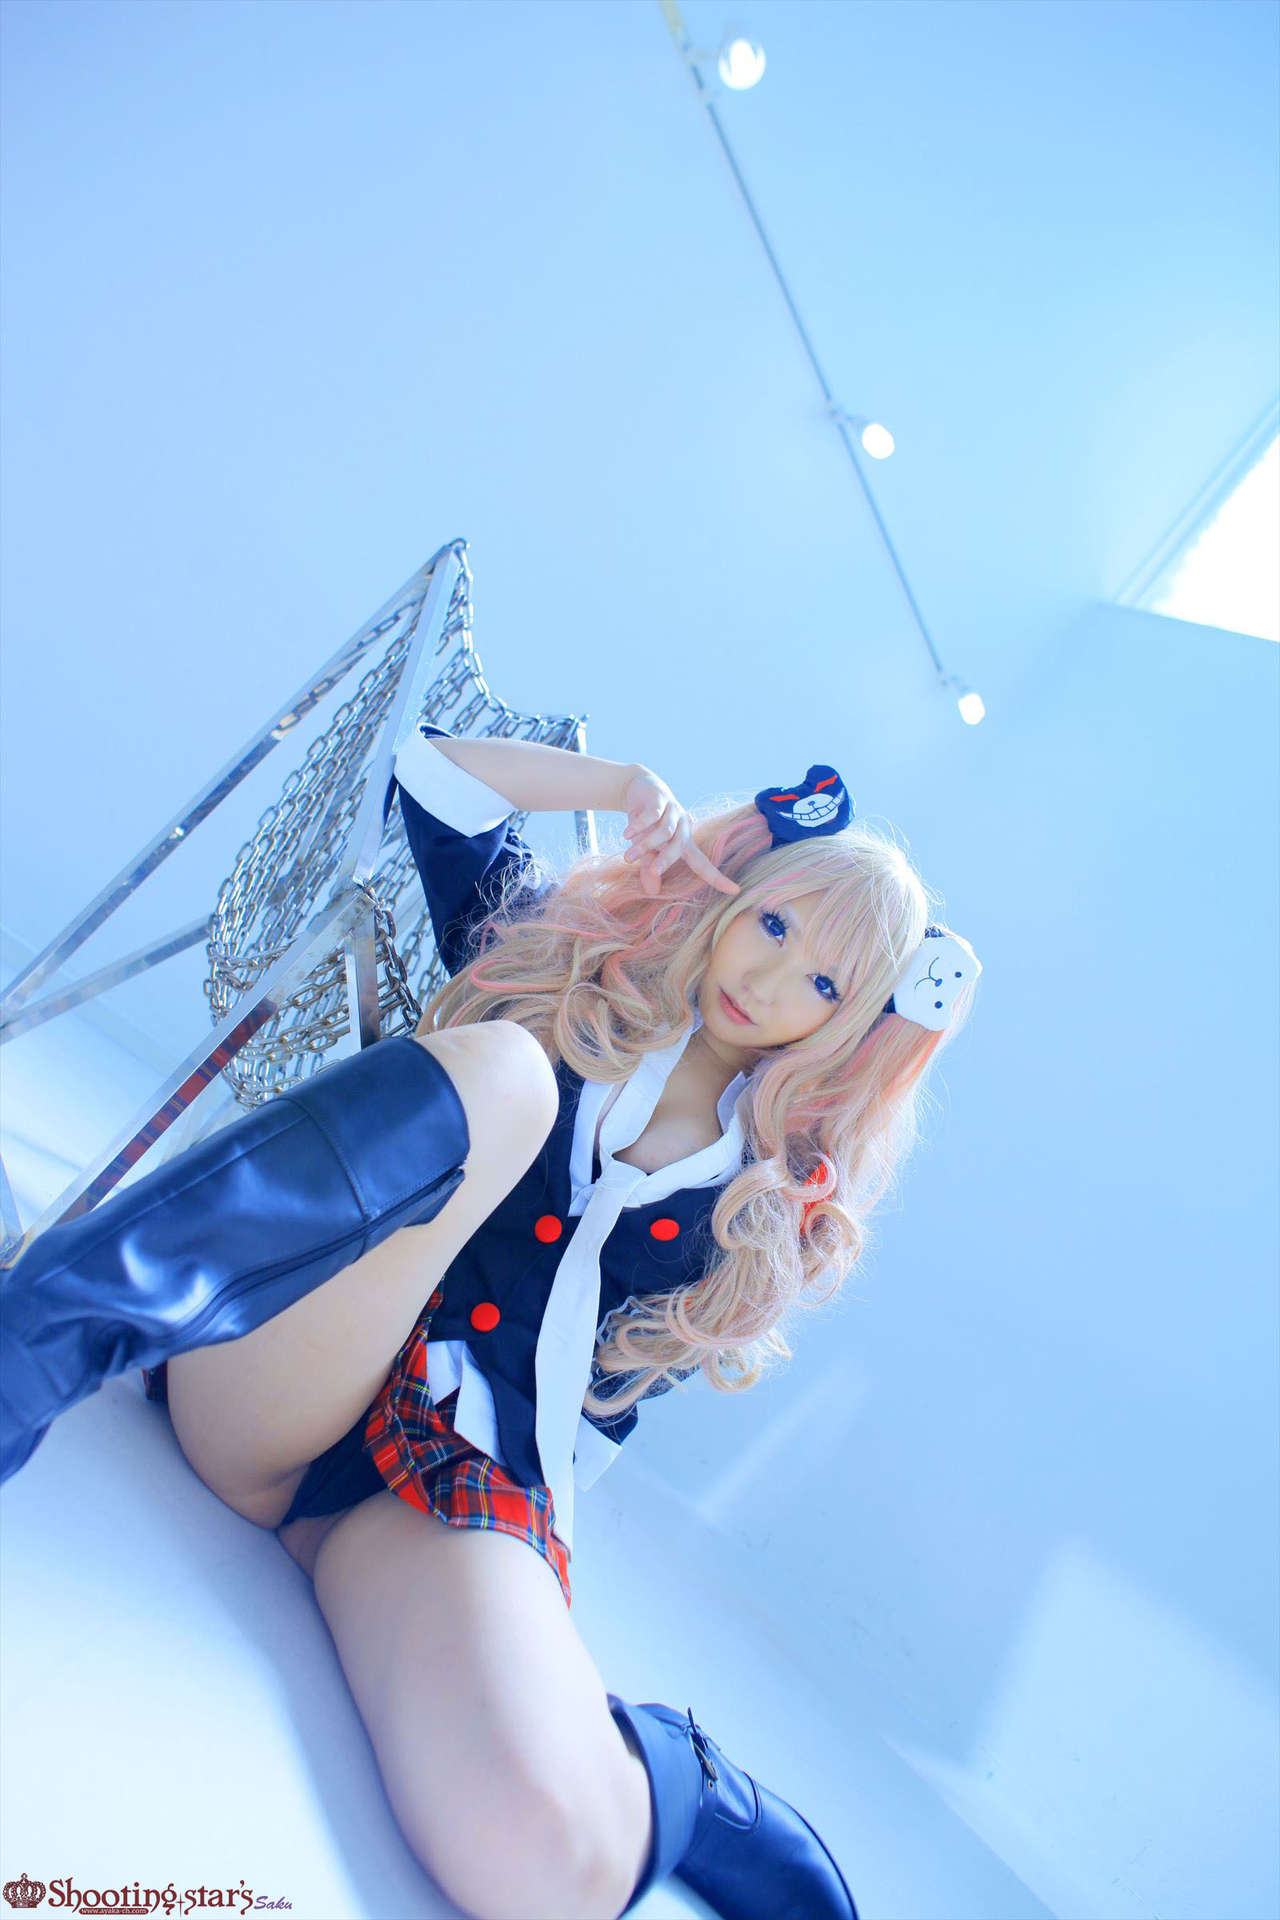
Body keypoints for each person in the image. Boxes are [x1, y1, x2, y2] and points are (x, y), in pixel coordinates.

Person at [0, 718, 982, 1920]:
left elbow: (609, 1407)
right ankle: (34, 1338)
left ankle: (678, 1778)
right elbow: (434, 776)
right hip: (281, 1369)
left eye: (824, 983)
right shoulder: (566, 970)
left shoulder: (758, 1206)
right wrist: (619, 785)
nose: (770, 982)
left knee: (550, 1869)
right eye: (773, 922)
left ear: (852, 1026)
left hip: (442, 1481)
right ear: (735, 885)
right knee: (509, 1074)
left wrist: (515, 1591)